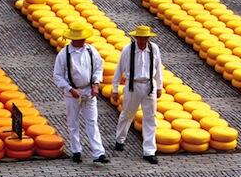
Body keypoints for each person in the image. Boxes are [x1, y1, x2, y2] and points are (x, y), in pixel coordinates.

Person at [53, 22, 109, 164]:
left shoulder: (91, 51)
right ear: (73, 39)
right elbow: (57, 75)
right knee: (73, 122)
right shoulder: (64, 54)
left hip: (88, 91)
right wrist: (70, 89)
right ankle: (76, 150)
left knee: (92, 121)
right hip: (72, 92)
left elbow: (98, 68)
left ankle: (98, 153)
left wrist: (96, 84)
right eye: (80, 39)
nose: (83, 41)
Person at [112, 25, 163, 164]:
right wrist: (115, 88)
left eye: (145, 38)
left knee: (150, 117)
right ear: (135, 37)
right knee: (128, 113)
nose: (142, 41)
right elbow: (119, 69)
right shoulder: (128, 50)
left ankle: (149, 151)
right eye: (140, 38)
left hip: (149, 85)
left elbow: (158, 69)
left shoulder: (154, 49)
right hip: (132, 85)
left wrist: (159, 86)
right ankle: (120, 139)